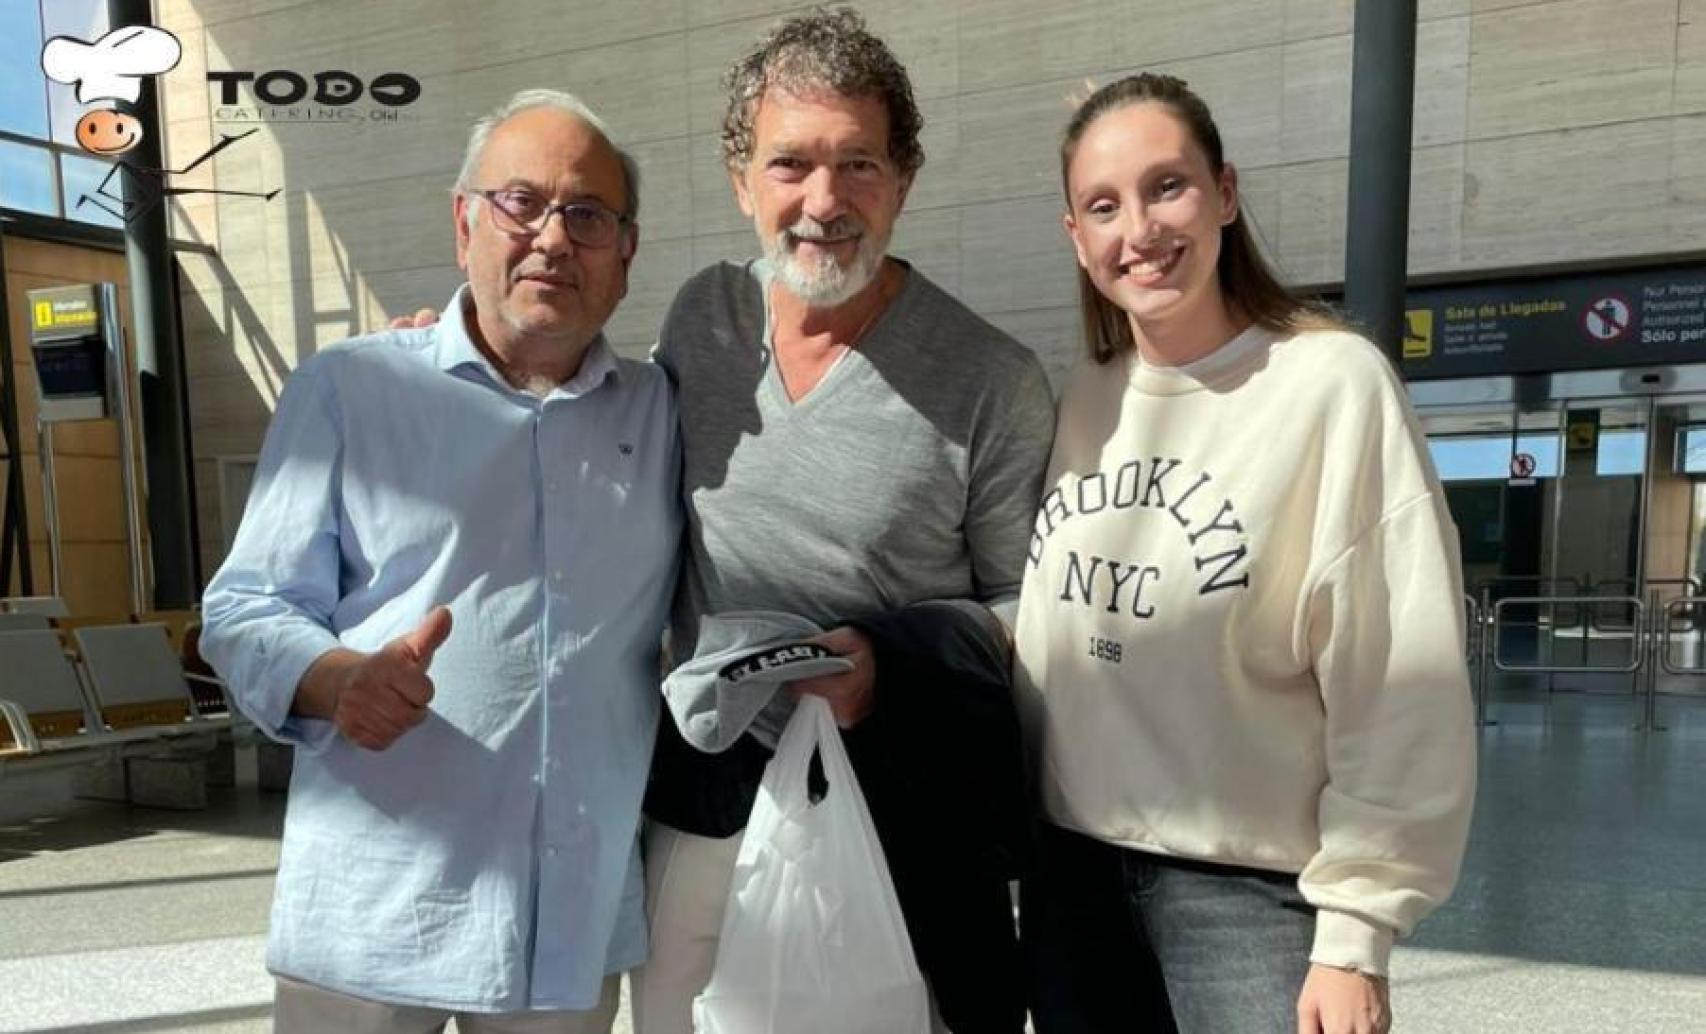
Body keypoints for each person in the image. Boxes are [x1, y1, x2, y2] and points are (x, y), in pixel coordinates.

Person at [200, 90, 680, 1033]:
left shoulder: (663, 413)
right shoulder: (351, 389)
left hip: (568, 919)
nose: (551, 237)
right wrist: (334, 677)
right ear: (465, 223)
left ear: (625, 254)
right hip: (376, 909)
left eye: (587, 216)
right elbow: (244, 606)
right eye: (520, 202)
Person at [1012, 73, 1476, 1034]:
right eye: (1105, 205)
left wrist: (1356, 932)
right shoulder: (1087, 394)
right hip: (1073, 883)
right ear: (1075, 238)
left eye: (1167, 186)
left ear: (1225, 193)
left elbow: (1397, 676)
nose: (1139, 229)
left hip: (1248, 894)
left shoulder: (1329, 384)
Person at [632, 8, 1056, 1033]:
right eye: (790, 165)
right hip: (704, 787)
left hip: (891, 800)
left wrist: (887, 667)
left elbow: (1022, 609)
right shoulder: (701, 317)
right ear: (741, 181)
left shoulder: (990, 378)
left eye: (857, 165)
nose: (823, 202)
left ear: (902, 179)